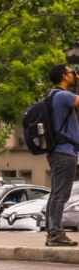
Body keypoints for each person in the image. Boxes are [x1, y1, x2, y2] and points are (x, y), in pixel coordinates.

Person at [43, 65, 79, 246]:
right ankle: (56, 233)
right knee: (61, 195)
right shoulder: (64, 96)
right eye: (72, 72)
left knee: (55, 194)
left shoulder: (53, 96)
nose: (75, 74)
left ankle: (52, 233)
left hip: (57, 152)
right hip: (65, 153)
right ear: (65, 76)